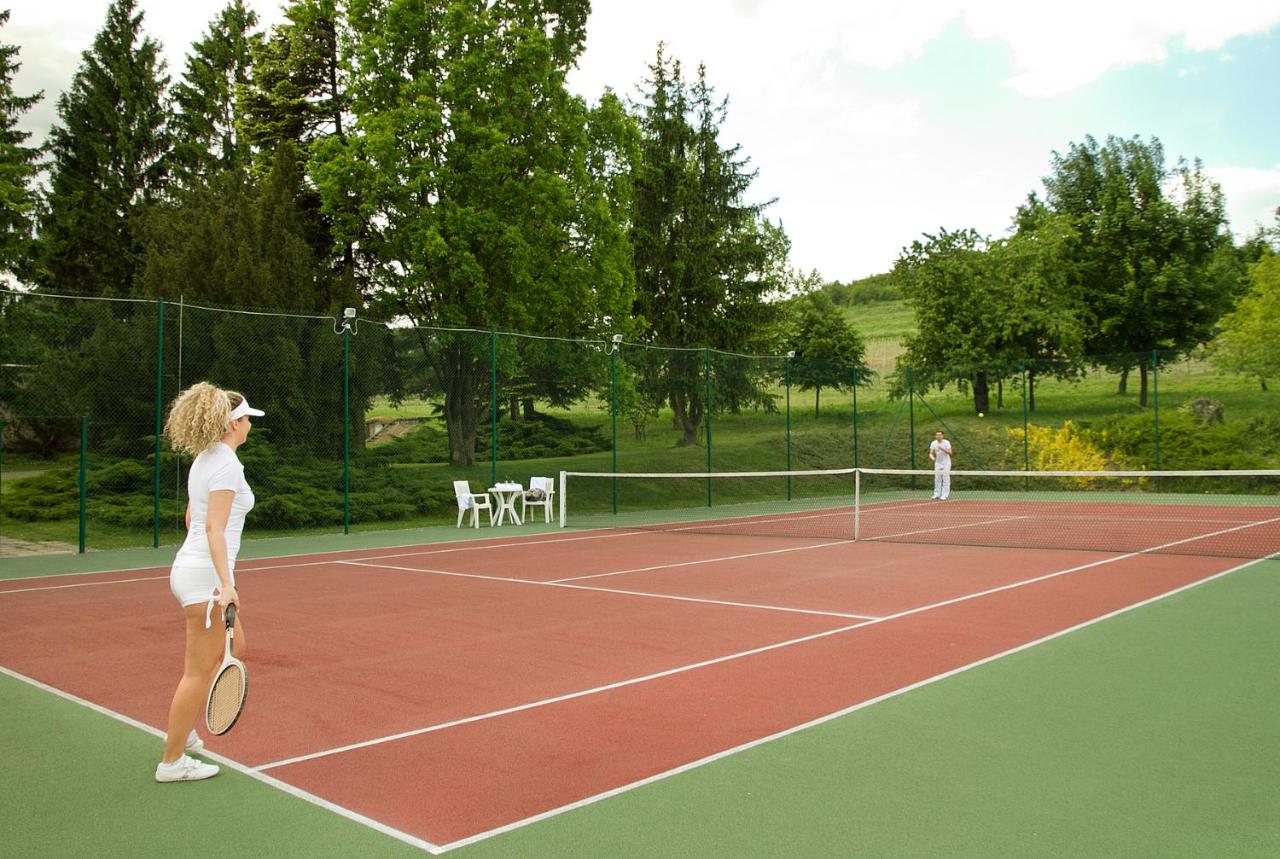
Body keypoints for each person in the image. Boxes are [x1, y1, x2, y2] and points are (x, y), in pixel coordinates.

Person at [155, 383, 263, 782]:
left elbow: (192, 517)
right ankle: (172, 762)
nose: (250, 425)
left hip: (192, 569)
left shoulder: (206, 459)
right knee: (197, 672)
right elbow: (214, 528)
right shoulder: (226, 465)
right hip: (205, 578)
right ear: (234, 423)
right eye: (248, 419)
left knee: (238, 647)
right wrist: (227, 584)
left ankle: (185, 732)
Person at [928, 430, 952, 500]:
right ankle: (936, 494)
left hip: (946, 463)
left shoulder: (946, 442)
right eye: (937, 435)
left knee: (945, 478)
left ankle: (945, 495)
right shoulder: (933, 443)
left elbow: (950, 453)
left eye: (940, 435)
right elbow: (930, 453)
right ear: (935, 436)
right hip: (938, 463)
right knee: (937, 478)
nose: (938, 436)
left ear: (942, 436)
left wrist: (942, 449)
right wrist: (932, 458)